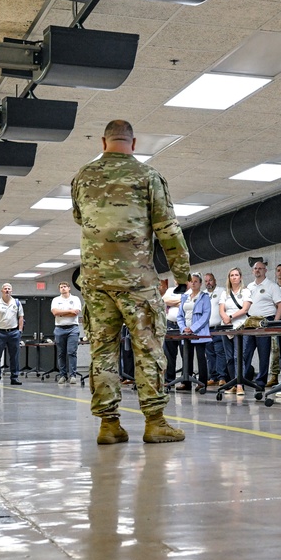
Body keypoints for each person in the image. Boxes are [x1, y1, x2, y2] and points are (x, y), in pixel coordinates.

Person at [71, 118, 190, 444]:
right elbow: (167, 229)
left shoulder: (83, 177)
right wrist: (182, 275)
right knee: (148, 349)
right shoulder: (148, 176)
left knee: (103, 353)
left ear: (103, 142)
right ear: (133, 144)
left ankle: (108, 425)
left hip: (95, 282)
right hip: (137, 282)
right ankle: (155, 422)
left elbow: (80, 217)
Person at [241, 260, 281, 391]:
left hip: (265, 322)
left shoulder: (272, 286)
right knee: (245, 353)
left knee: (263, 354)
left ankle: (260, 383)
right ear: (252, 271)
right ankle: (242, 380)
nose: (258, 270)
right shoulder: (249, 287)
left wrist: (275, 322)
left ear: (265, 270)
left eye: (261, 268)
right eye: (256, 268)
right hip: (250, 323)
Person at [176, 273, 212, 392]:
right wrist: (183, 328)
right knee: (187, 357)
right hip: (185, 333)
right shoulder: (185, 297)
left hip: (199, 332)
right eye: (191, 281)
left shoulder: (204, 297)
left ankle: (202, 382)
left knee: (201, 357)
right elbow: (180, 316)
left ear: (200, 283)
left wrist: (193, 328)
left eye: (196, 281)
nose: (193, 283)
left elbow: (205, 316)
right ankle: (186, 382)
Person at [219, 267, 252, 395]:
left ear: (240, 277)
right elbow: (221, 309)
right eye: (231, 275)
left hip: (240, 326)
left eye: (236, 275)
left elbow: (245, 309)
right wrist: (225, 317)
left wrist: (231, 317)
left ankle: (240, 385)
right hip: (226, 327)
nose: (234, 277)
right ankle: (233, 382)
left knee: (238, 356)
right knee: (229, 358)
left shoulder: (246, 291)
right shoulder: (224, 293)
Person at [0, 282, 25, 387]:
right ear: (2, 291)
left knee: (14, 356)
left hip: (13, 332)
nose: (7, 290)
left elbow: (21, 317)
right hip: (0, 332)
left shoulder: (17, 303)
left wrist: (19, 331)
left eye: (9, 288)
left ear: (11, 290)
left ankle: (14, 377)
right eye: (5, 288)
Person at [51, 281, 82, 385]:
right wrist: (69, 311)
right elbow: (55, 312)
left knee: (71, 352)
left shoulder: (75, 299)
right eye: (61, 287)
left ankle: (72, 375)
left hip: (73, 328)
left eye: (65, 287)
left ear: (69, 288)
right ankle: (63, 375)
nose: (63, 288)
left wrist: (61, 313)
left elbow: (75, 313)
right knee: (61, 353)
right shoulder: (56, 300)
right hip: (59, 328)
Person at [203, 272, 228, 388]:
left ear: (215, 280)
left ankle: (222, 377)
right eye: (206, 281)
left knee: (220, 352)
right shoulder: (202, 294)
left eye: (210, 280)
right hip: (206, 329)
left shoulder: (222, 291)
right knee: (210, 354)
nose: (208, 283)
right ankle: (212, 377)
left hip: (218, 328)